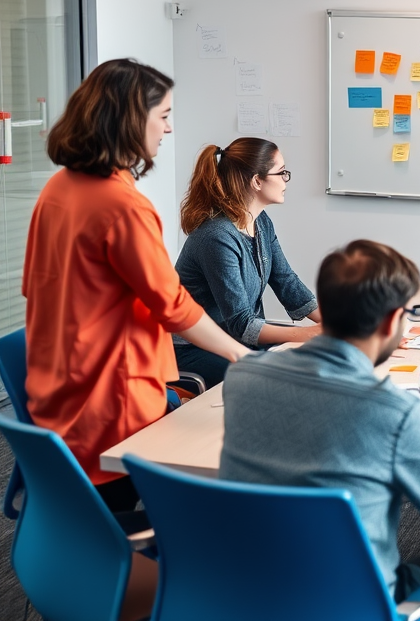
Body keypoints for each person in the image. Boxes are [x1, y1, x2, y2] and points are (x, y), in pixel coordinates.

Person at [219, 240, 420, 609]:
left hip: (243, 590)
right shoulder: (396, 413)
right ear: (393, 322)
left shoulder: (242, 376)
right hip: (353, 603)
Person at [22, 59, 250, 515]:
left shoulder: (57, 189)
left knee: (84, 527)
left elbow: (35, 288)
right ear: (130, 119)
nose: (168, 129)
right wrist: (241, 355)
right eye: (163, 116)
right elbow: (174, 307)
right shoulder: (123, 205)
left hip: (56, 396)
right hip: (112, 408)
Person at [175, 138, 321, 386]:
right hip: (193, 350)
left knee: (312, 360)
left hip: (233, 339)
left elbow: (287, 284)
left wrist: (341, 326)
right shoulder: (217, 237)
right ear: (256, 181)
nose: (286, 179)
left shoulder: (261, 223)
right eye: (281, 172)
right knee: (276, 378)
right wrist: (307, 334)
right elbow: (241, 323)